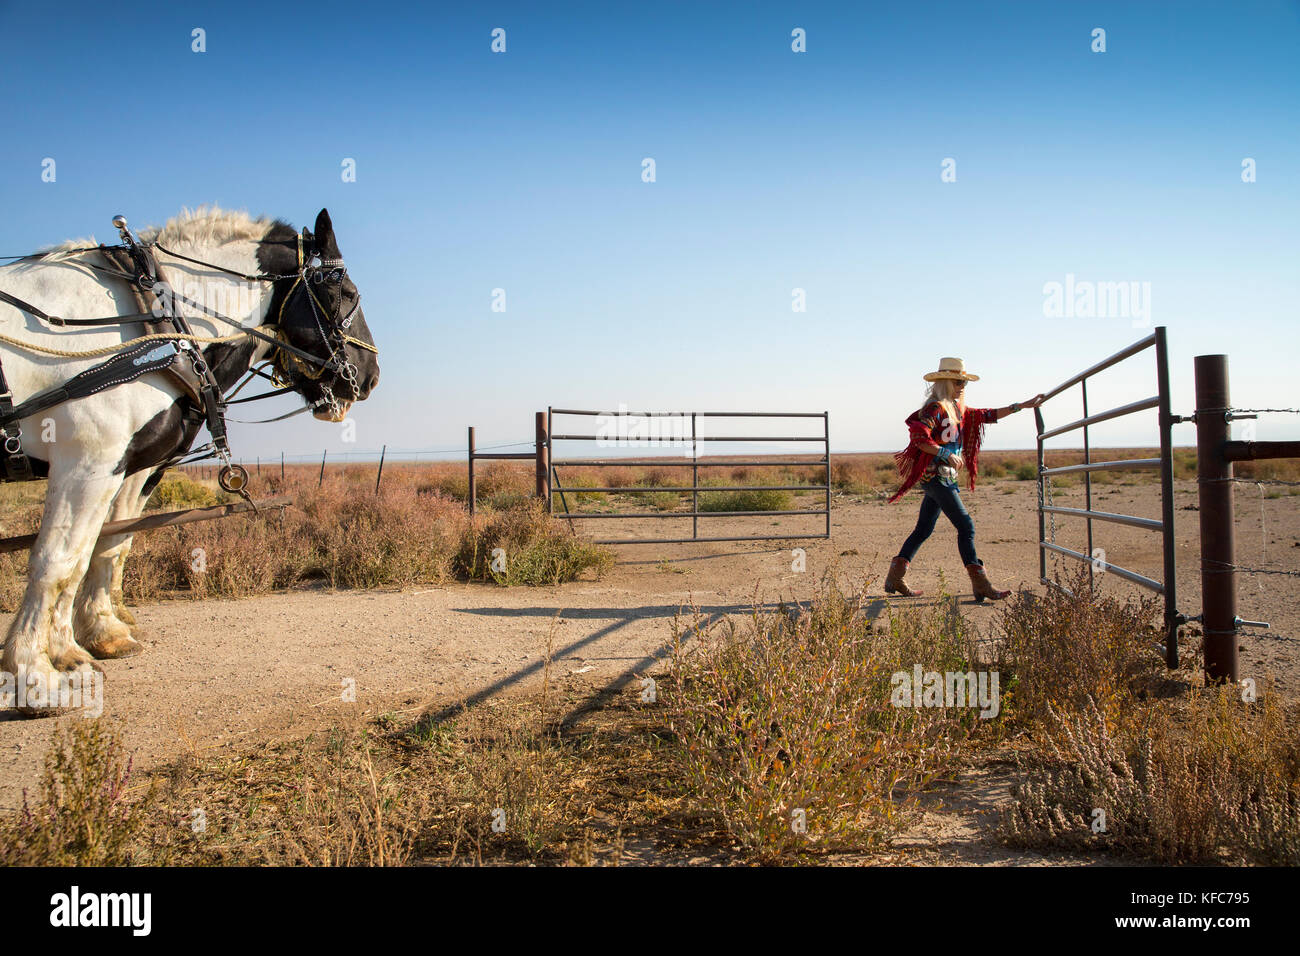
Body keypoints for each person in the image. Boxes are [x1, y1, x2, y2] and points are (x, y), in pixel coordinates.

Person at [884, 357, 1044, 601]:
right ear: (946, 382)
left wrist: (1021, 406)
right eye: (959, 381)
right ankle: (980, 583)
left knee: (923, 529)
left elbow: (987, 414)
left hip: (945, 479)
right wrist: (944, 452)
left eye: (964, 382)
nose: (962, 386)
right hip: (937, 478)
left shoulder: (957, 410)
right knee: (966, 526)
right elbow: (919, 436)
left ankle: (895, 577)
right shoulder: (935, 408)